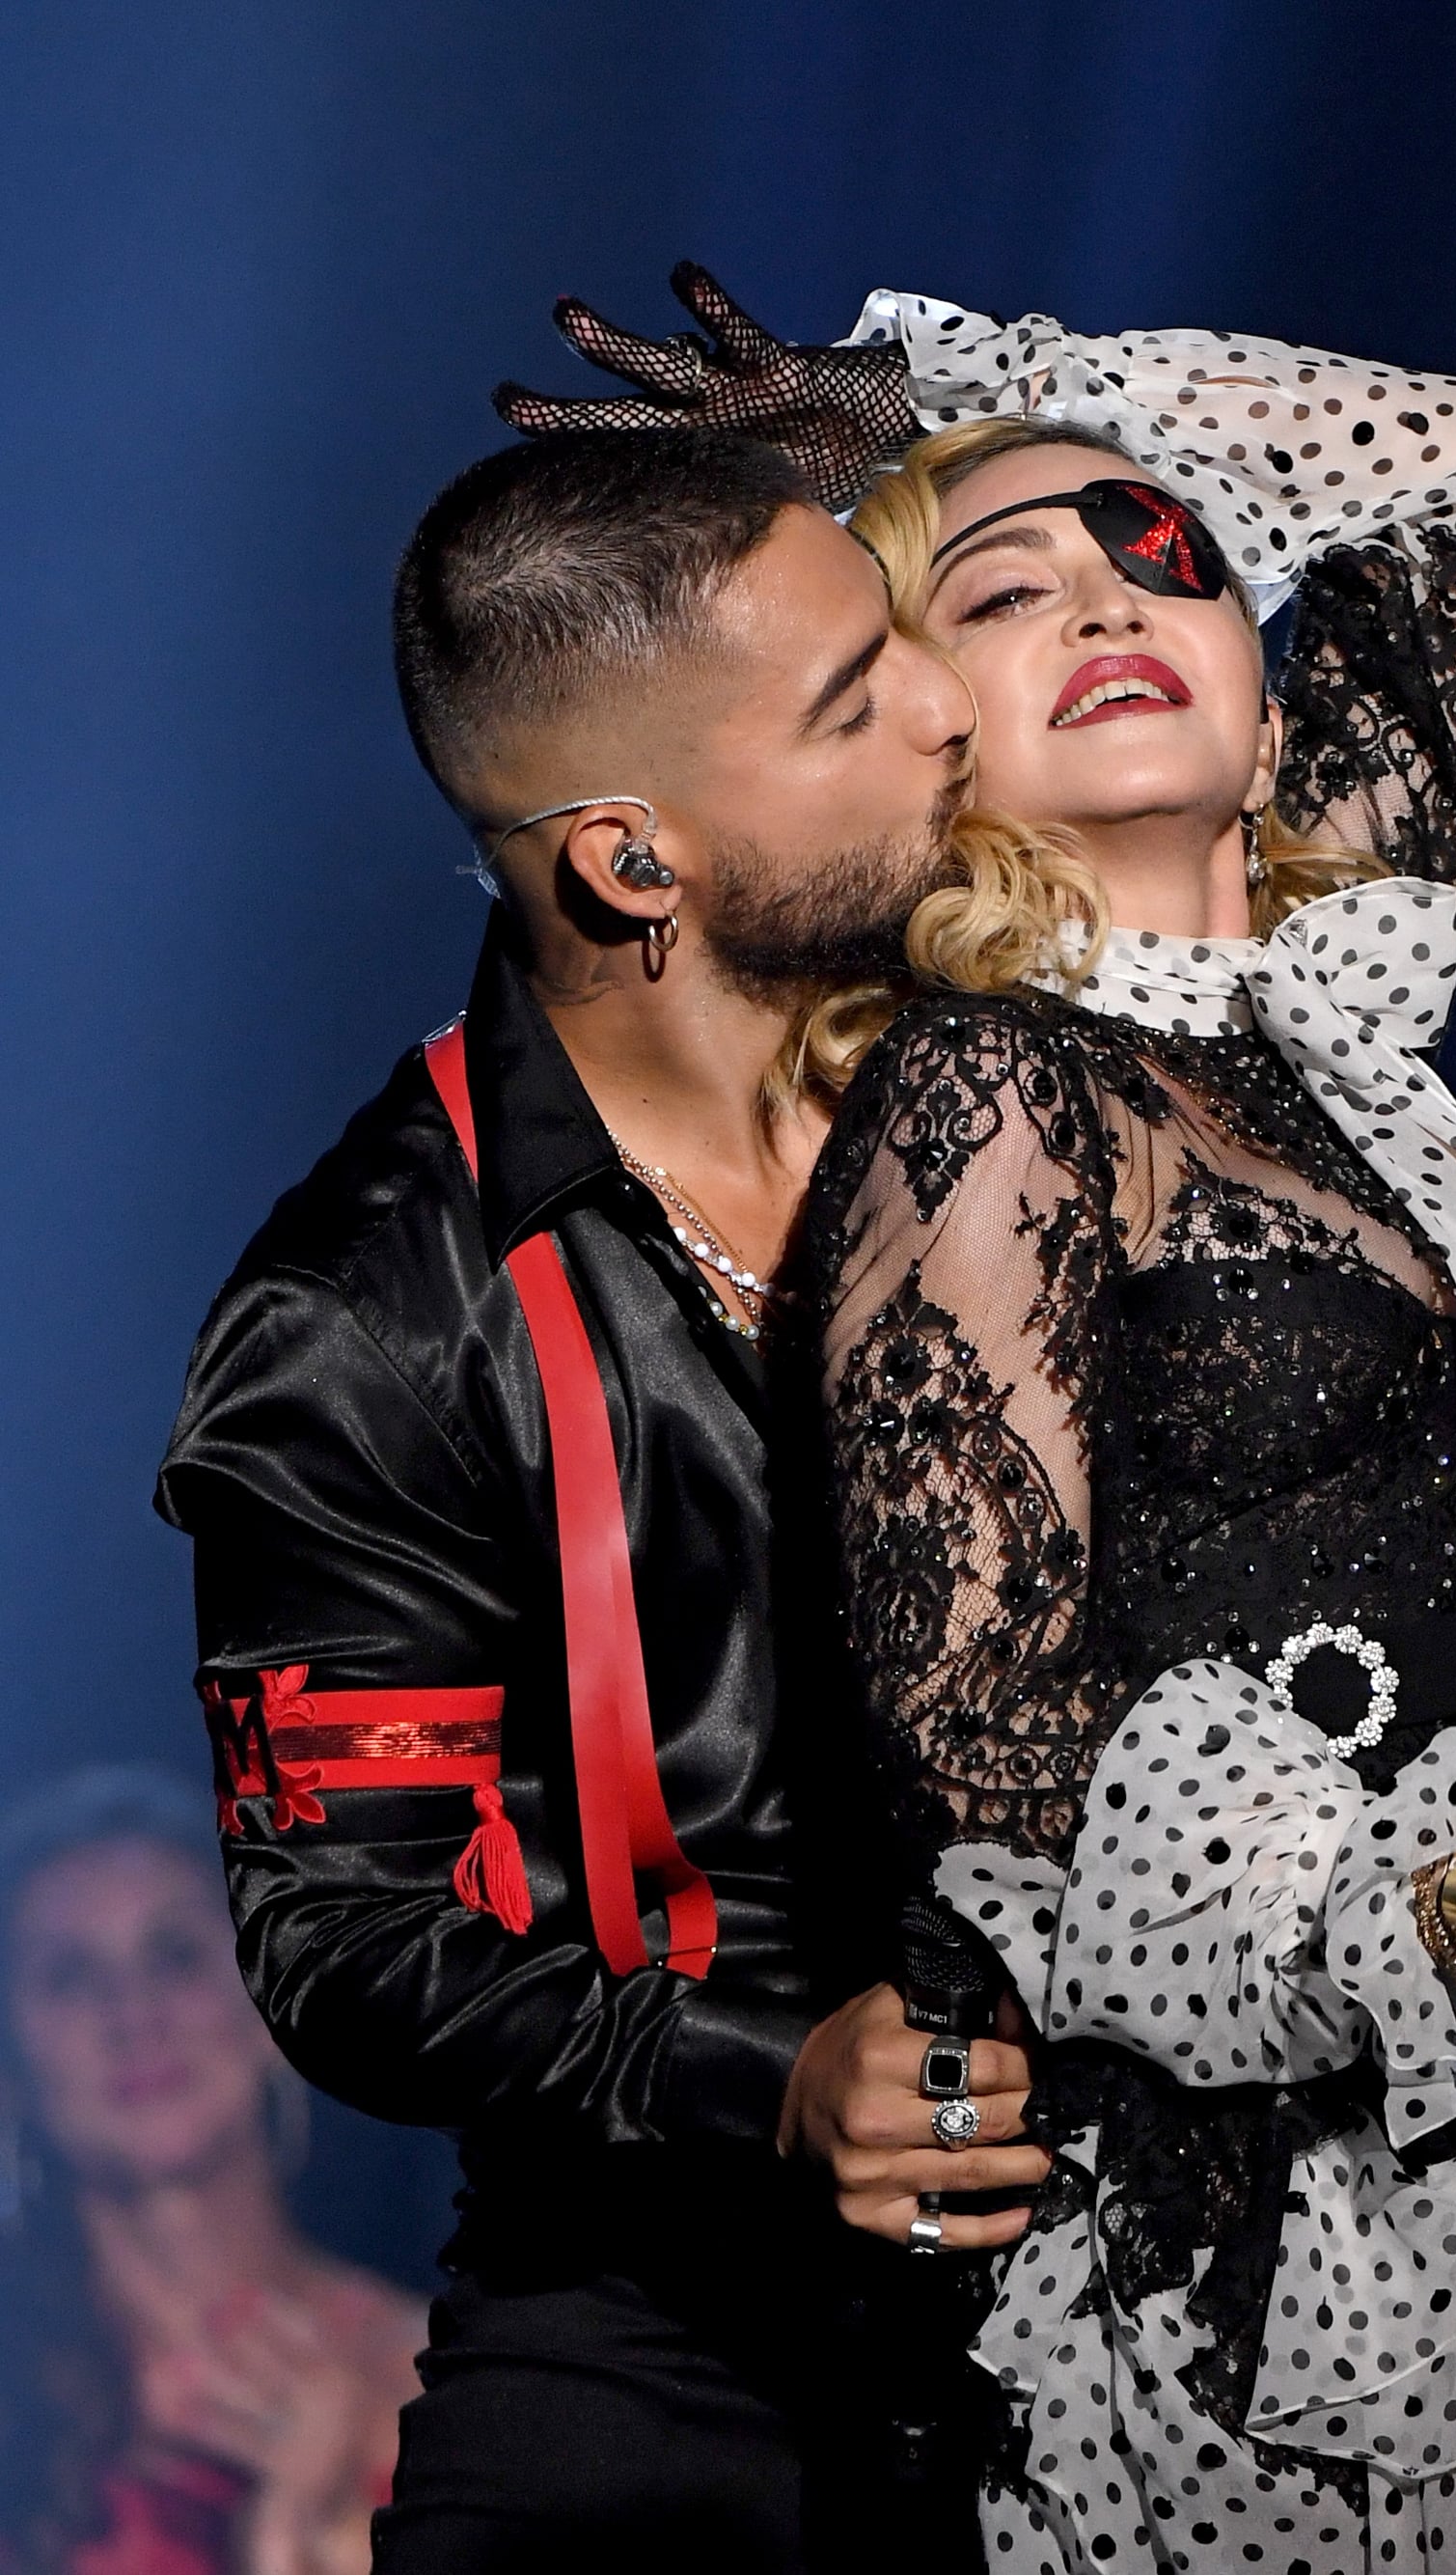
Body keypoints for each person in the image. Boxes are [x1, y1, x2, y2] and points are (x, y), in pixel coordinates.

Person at [508, 272, 1456, 2567]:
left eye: (1158, 551)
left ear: (1266, 665)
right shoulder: (996, 1099)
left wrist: (959, 398)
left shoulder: (1324, 1031)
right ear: (924, 742)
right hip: (1230, 2234)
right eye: (1000, 590)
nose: (1101, 589)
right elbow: (996, 1778)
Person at [153, 425, 1050, 2572]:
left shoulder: (1036, 1073)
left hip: (1169, 2298)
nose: (950, 706)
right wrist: (770, 2072)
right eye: (853, 698)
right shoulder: (371, 1308)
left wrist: (934, 384)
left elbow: (1448, 513)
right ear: (634, 860)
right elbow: (338, 1934)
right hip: (669, 2362)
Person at [0, 1768, 422, 2575]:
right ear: (11, 2065)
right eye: (69, 1976)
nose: (134, 2014)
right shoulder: (16, 2382)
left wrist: (314, 2526)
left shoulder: (447, 2384)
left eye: (177, 1955)